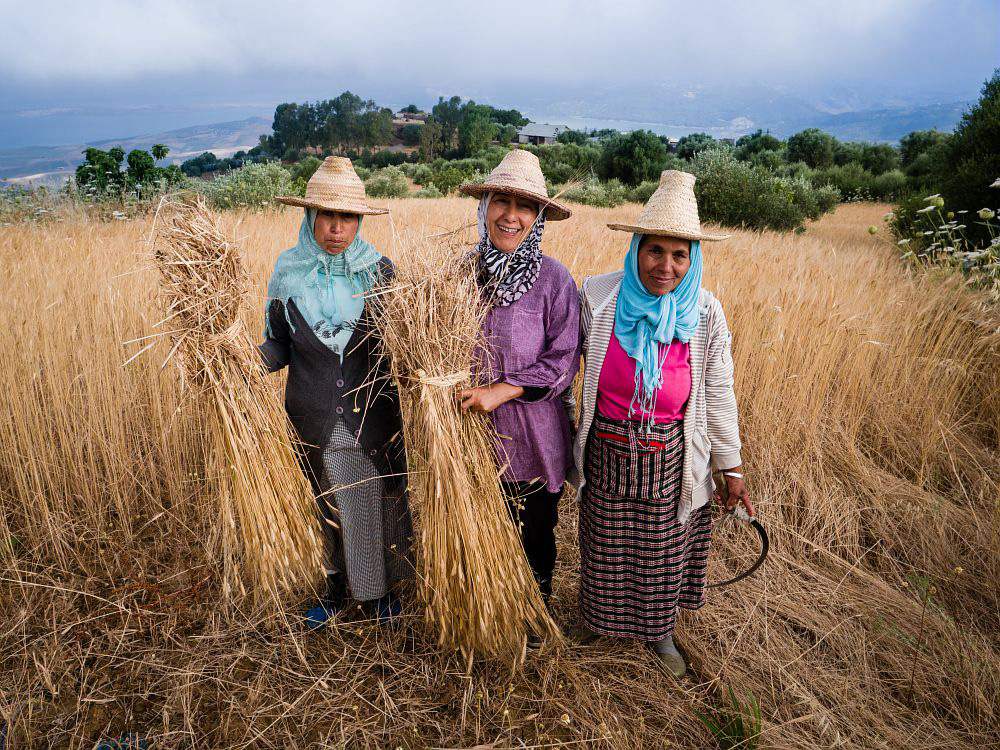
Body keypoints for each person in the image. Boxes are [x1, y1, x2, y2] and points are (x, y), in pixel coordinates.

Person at [570, 170, 753, 677]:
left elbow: (718, 392)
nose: (665, 266)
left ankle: (660, 633)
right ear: (635, 249)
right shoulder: (598, 297)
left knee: (661, 548)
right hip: (606, 445)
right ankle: (597, 620)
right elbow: (567, 370)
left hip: (669, 453)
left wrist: (730, 468)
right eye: (654, 251)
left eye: (679, 254)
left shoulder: (706, 313)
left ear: (693, 258)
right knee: (603, 542)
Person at [260, 157, 413, 627]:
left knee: (379, 500)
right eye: (326, 215)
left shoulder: (379, 272)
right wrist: (237, 364)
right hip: (313, 414)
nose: (336, 228)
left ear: (359, 220)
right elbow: (277, 345)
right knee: (326, 502)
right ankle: (335, 588)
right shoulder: (287, 274)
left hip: (374, 415)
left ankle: (382, 589)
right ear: (309, 216)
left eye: (347, 217)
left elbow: (404, 344)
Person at [456, 150, 580, 608]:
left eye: (524, 206)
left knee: (533, 537)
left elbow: (565, 359)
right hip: (466, 436)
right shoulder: (459, 274)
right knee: (476, 534)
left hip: (533, 438)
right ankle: (482, 615)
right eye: (500, 201)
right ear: (483, 205)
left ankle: (531, 617)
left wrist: (501, 390)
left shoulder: (554, 281)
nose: (511, 215)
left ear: (539, 217)